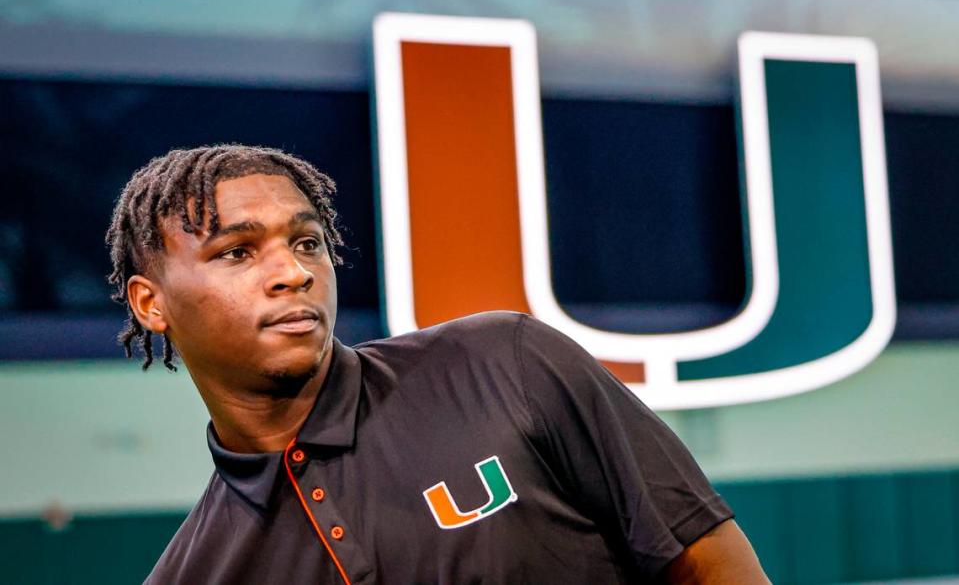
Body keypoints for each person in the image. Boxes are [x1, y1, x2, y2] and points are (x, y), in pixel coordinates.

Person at [106, 144, 768, 584]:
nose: (292, 272)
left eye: (307, 241)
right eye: (238, 252)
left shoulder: (505, 363)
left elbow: (710, 567)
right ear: (151, 303)